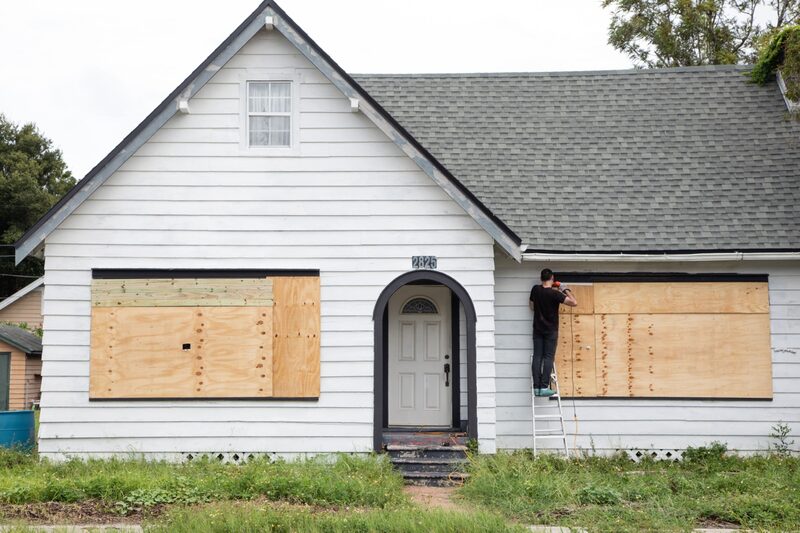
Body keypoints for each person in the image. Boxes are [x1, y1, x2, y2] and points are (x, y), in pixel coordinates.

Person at [529, 268, 577, 397]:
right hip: (550, 330)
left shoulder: (535, 289)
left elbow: (532, 306)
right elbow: (574, 302)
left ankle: (536, 388)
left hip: (537, 329)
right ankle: (544, 387)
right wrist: (563, 288)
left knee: (538, 356)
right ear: (552, 279)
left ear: (541, 278)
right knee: (548, 357)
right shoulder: (555, 294)